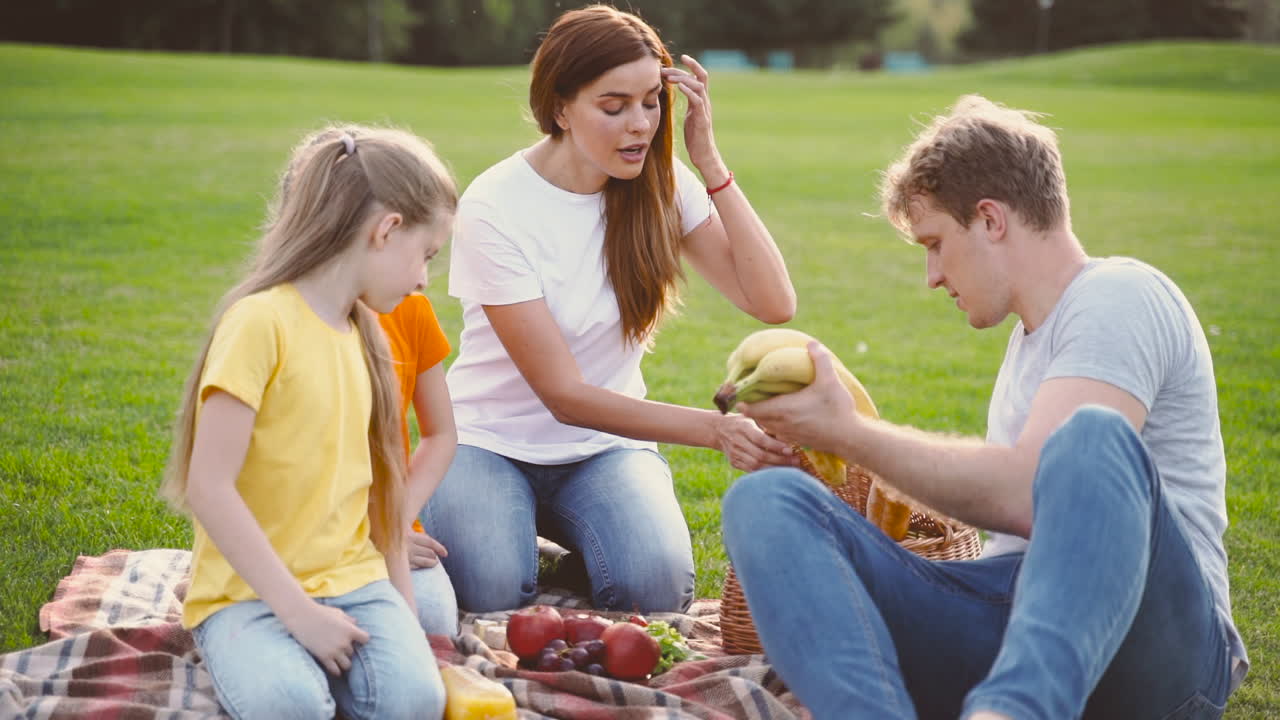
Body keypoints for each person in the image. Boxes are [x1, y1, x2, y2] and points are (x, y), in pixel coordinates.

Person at [723, 95, 1248, 720]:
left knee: (1090, 439)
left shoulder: (1120, 296)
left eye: (937, 243)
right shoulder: (1028, 343)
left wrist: (850, 433)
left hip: (1158, 644)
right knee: (765, 502)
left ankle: (1015, 710)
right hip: (1017, 617)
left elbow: (1029, 495)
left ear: (992, 220)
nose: (932, 275)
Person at [421, 4, 797, 614]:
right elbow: (563, 394)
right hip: (488, 443)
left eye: (652, 101)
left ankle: (552, 555)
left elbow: (773, 302)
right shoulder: (495, 205)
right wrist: (717, 430)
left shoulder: (664, 183)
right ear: (561, 108)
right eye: (614, 105)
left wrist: (709, 161)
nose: (640, 125)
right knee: (488, 590)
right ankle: (519, 545)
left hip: (604, 450)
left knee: (656, 588)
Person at [161, 124, 457, 719]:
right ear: (386, 229)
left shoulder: (366, 335)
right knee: (289, 704)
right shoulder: (259, 324)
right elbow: (207, 487)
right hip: (249, 595)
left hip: (356, 580)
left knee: (417, 699)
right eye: (426, 255)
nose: (426, 278)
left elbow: (382, 494)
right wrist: (301, 616)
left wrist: (402, 612)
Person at [378, 292, 461, 636]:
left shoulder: (410, 308)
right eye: (424, 256)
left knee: (432, 622)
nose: (425, 279)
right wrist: (366, 541)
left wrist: (393, 526)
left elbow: (440, 434)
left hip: (386, 524)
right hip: (305, 535)